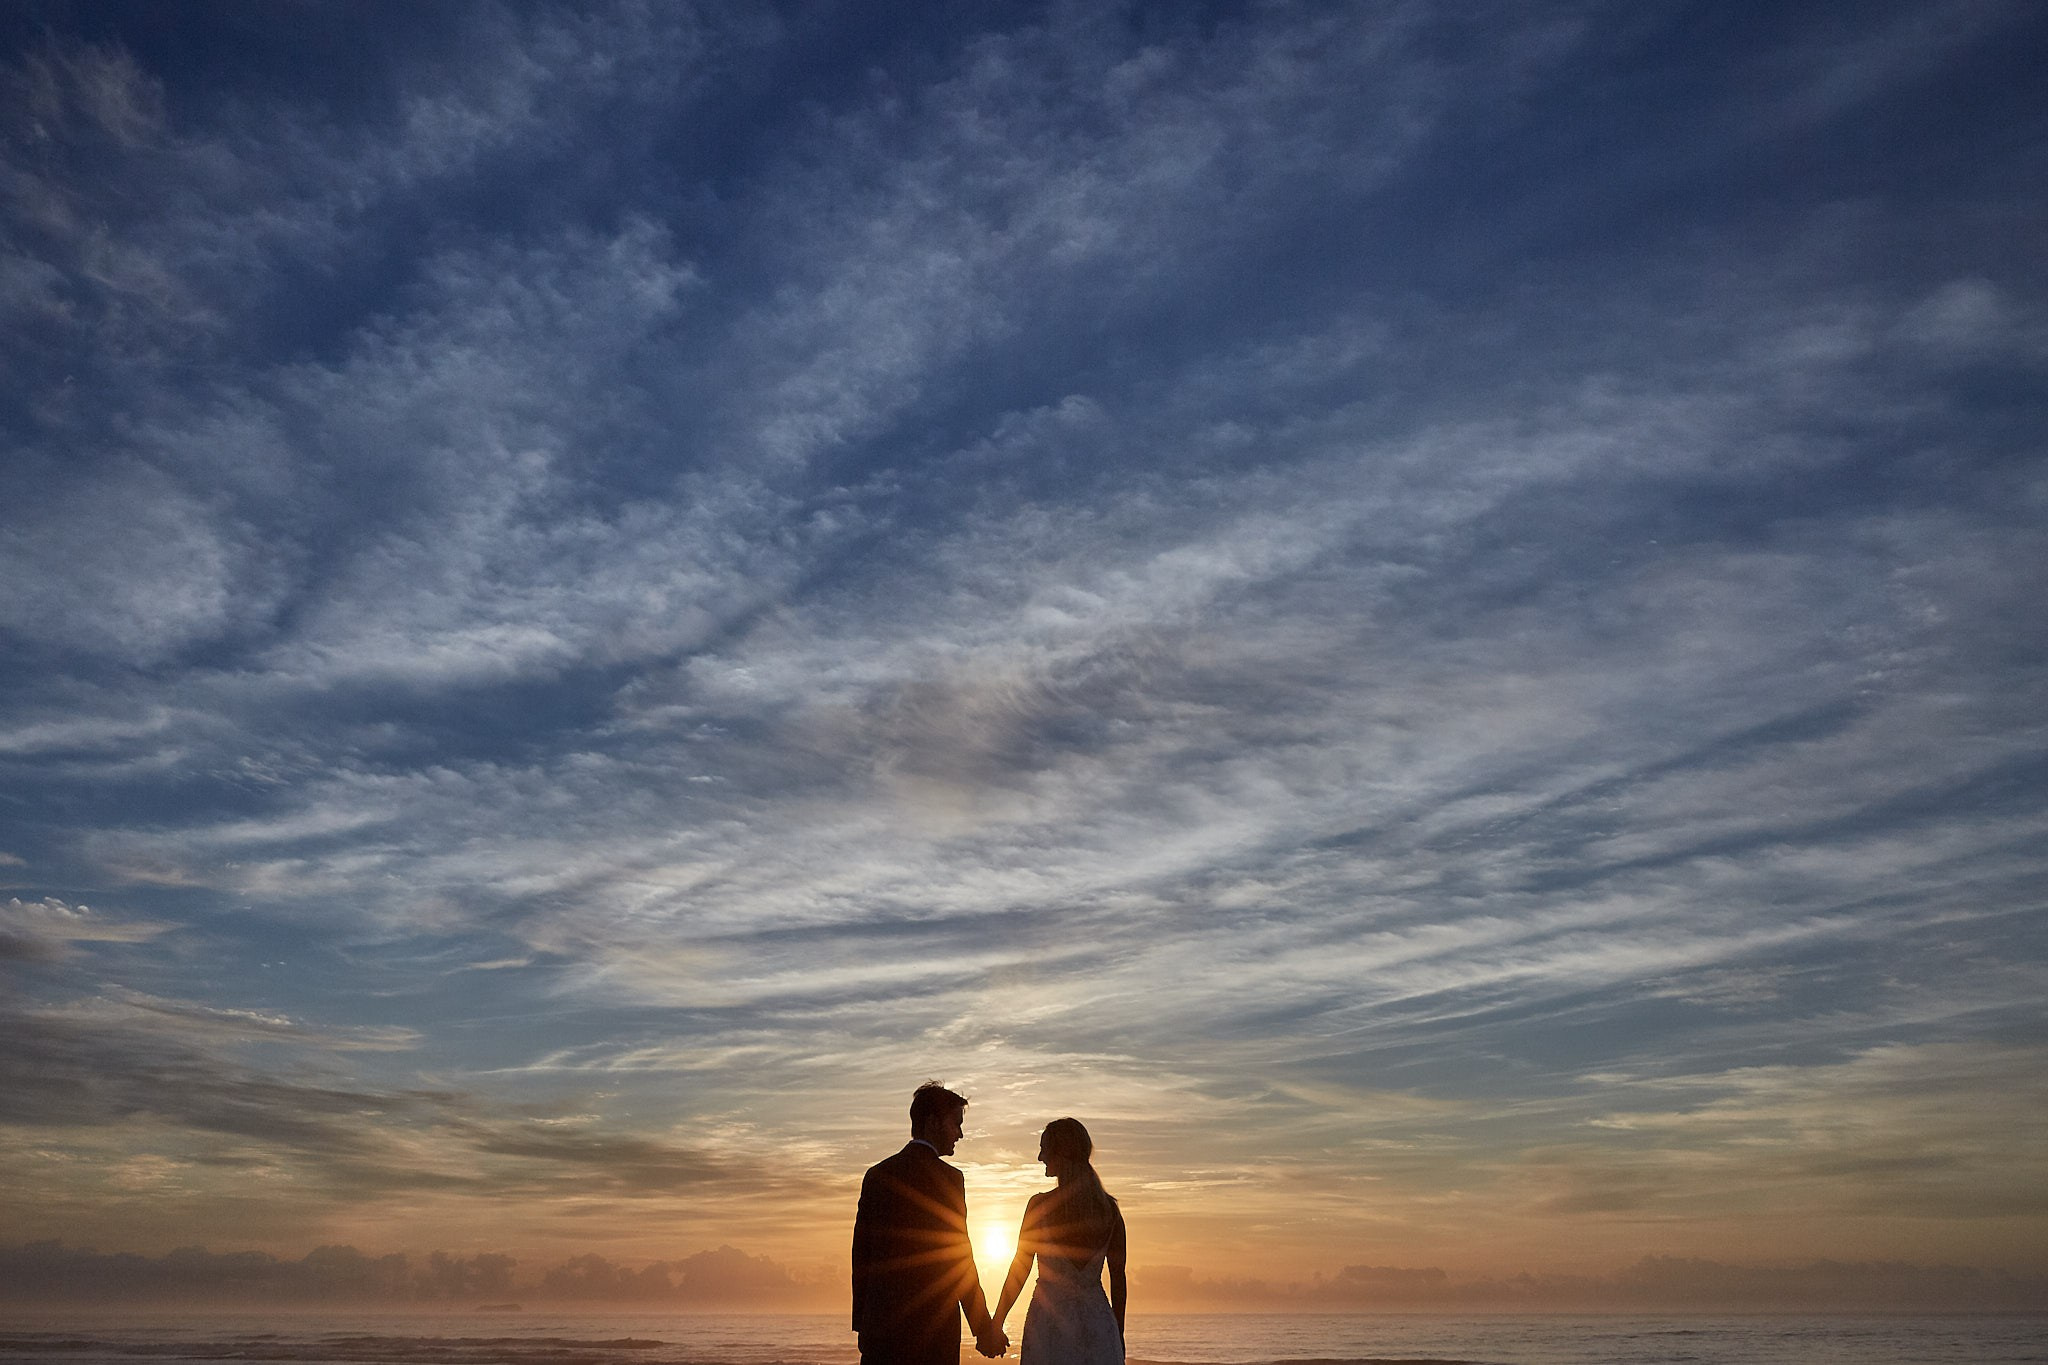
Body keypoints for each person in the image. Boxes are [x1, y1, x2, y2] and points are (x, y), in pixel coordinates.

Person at [852, 1082, 1008, 1364]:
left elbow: (861, 1255)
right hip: (934, 1330)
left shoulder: (877, 1175)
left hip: (881, 1330)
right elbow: (959, 1259)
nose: (960, 1134)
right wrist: (984, 1328)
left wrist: (863, 1323)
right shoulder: (949, 1179)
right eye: (956, 1124)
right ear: (933, 1123)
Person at [991, 1117, 1127, 1365]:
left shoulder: (1039, 1206)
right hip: (1099, 1329)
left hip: (1049, 1327)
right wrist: (1118, 1336)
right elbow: (1118, 1280)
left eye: (1044, 1148)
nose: (1039, 1157)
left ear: (1060, 1152)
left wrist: (996, 1322)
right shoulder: (1109, 1211)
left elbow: (1020, 1269)